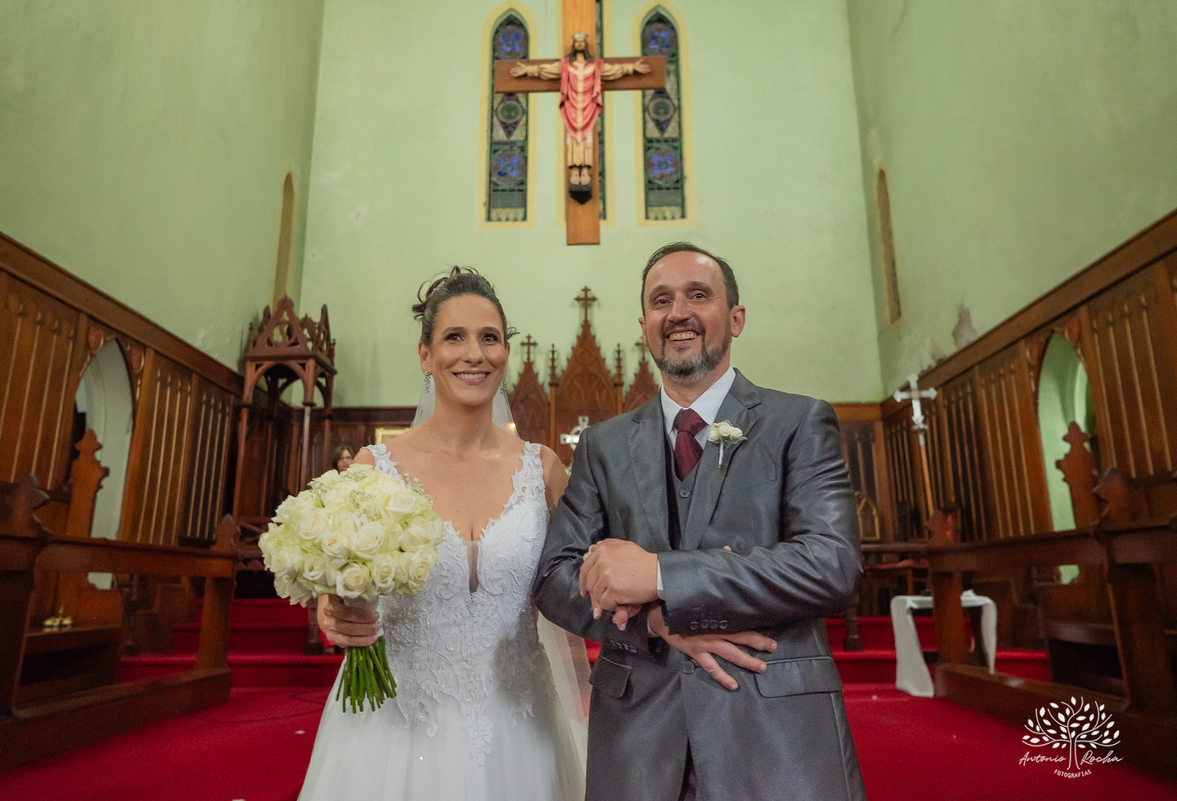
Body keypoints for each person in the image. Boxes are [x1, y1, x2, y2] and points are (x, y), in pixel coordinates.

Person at [533, 243, 868, 801]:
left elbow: (831, 564)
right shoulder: (603, 446)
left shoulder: (798, 422)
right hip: (639, 734)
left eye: (698, 295)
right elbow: (554, 577)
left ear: (735, 317)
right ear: (645, 326)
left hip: (771, 727)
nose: (679, 313)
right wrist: (655, 623)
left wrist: (662, 577)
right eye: (661, 300)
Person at [299, 268, 584, 801]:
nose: (473, 353)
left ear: (506, 351)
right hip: (398, 722)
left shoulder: (542, 470)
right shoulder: (374, 467)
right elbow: (340, 573)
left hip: (521, 721)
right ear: (426, 356)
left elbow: (582, 577)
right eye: (454, 337)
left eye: (489, 337)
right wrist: (330, 603)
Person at [509, 33, 650, 197]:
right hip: (572, 107)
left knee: (587, 138)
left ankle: (585, 171)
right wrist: (528, 69)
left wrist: (631, 68)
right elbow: (547, 70)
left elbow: (613, 70)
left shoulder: (596, 66)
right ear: (574, 45)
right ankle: (574, 170)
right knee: (573, 138)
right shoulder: (565, 65)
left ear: (586, 45)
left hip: (588, 107)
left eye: (582, 42)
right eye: (577, 42)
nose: (579, 44)